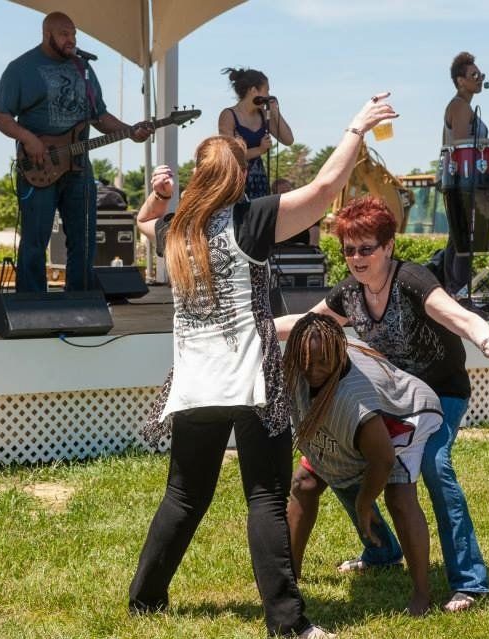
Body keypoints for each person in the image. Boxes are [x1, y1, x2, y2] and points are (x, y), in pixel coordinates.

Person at [130, 95, 397, 638]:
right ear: (236, 177)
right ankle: (288, 624)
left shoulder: (176, 231)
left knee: (183, 496)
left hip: (192, 384)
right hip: (251, 381)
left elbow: (143, 224)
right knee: (265, 498)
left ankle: (145, 601)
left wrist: (157, 196)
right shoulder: (249, 220)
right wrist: (356, 126)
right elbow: (324, 191)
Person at [276, 195, 489, 613]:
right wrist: (250, 332)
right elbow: (304, 323)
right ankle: (380, 549)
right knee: (331, 462)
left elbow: (459, 316)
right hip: (392, 396)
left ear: (388, 247)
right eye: (349, 249)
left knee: (434, 466)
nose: (357, 258)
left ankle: (470, 583)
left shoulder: (412, 280)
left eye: (367, 248)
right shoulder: (350, 293)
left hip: (439, 394)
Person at [283, 313, 443, 616]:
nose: (312, 370)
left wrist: (364, 503)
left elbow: (381, 461)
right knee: (304, 483)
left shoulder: (356, 402)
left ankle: (422, 593)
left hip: (403, 417)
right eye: (306, 361)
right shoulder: (298, 367)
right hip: (365, 426)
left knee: (398, 497)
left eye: (321, 363)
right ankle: (289, 578)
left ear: (338, 355)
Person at [0, 11, 150, 293]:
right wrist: (28, 138)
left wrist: (130, 131)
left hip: (78, 168)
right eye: (64, 34)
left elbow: (99, 116)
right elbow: (0, 116)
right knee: (35, 239)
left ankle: (79, 302)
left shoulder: (83, 68)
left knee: (84, 239)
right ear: (47, 34)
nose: (71, 39)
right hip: (39, 165)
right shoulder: (21, 68)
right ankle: (32, 305)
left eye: (74, 34)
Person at [441, 51, 489, 298]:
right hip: (463, 181)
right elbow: (462, 147)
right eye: (475, 75)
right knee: (463, 238)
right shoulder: (459, 106)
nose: (480, 78)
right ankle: (459, 294)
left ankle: (454, 292)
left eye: (480, 74)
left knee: (457, 237)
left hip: (459, 181)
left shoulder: (463, 105)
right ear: (461, 81)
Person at [217, 67, 294, 200]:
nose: (268, 94)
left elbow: (288, 140)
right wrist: (260, 149)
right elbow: (229, 155)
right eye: (266, 90)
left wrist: (275, 112)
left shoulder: (263, 114)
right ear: (253, 91)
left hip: (259, 181)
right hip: (236, 181)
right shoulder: (228, 115)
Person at [272, 178, 320, 247]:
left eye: (289, 191)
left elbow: (314, 240)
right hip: (280, 253)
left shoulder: (307, 210)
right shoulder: (272, 214)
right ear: (275, 195)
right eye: (283, 192)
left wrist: (311, 250)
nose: (287, 194)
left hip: (304, 252)